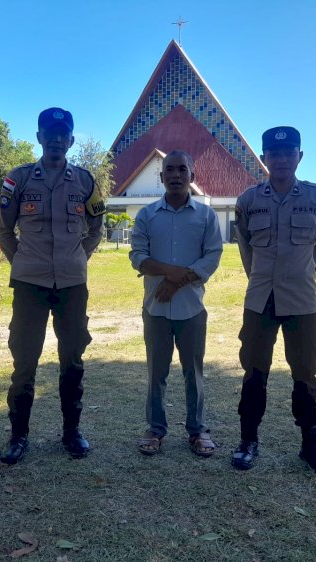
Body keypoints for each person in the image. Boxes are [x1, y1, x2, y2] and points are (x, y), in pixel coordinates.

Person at [0, 107, 105, 464]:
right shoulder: (19, 179)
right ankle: (18, 436)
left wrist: (78, 258)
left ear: (71, 140)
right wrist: (22, 261)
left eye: (64, 134)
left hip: (72, 285)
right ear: (39, 137)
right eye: (50, 133)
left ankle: (72, 433)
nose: (57, 139)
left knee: (72, 359)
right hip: (30, 284)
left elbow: (96, 228)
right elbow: (3, 229)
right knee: (25, 360)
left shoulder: (86, 182)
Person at [231, 126, 316, 475]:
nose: (280, 159)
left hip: (302, 301)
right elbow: (246, 249)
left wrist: (300, 272)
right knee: (253, 372)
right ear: (264, 158)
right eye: (273, 154)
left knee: (306, 374)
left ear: (299, 156)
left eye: (288, 152)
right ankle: (248, 442)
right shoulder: (248, 201)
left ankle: (311, 446)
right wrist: (263, 277)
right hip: (260, 299)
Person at [129, 151, 223, 457]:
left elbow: (212, 255)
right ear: (161, 177)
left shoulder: (206, 216)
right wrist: (171, 273)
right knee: (156, 372)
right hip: (155, 309)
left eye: (183, 169)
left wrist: (177, 282)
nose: (176, 175)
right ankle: (155, 430)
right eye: (170, 170)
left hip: (191, 309)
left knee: (193, 371)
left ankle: (197, 430)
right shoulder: (146, 215)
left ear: (192, 176)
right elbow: (137, 256)